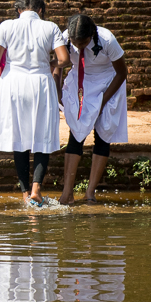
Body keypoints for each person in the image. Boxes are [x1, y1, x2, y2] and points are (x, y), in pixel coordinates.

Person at [0, 0, 71, 206]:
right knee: (42, 136)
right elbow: (64, 59)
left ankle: (24, 194)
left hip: (13, 83)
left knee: (19, 135)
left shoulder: (7, 25)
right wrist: (50, 64)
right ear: (40, 9)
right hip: (41, 83)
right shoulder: (49, 26)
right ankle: (36, 190)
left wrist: (2, 65)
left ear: (18, 9)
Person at [56, 14, 129, 204]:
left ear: (91, 35)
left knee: (102, 135)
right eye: (75, 43)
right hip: (80, 82)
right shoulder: (64, 38)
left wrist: (102, 102)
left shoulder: (106, 39)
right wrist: (58, 94)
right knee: (76, 132)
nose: (79, 47)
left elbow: (122, 72)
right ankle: (67, 193)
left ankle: (90, 192)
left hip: (108, 83)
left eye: (83, 43)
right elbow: (59, 65)